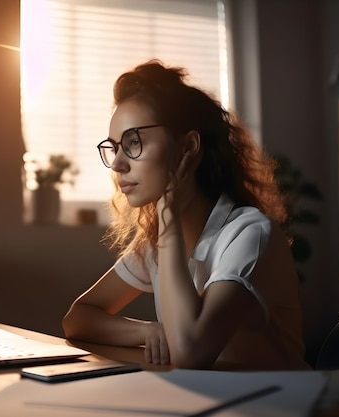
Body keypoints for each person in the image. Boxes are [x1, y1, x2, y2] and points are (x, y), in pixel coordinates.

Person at [62, 60, 310, 370]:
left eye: (134, 143)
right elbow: (79, 317)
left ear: (189, 146)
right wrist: (147, 330)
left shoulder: (248, 232)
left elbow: (190, 353)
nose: (117, 164)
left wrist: (168, 225)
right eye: (115, 148)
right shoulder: (156, 239)